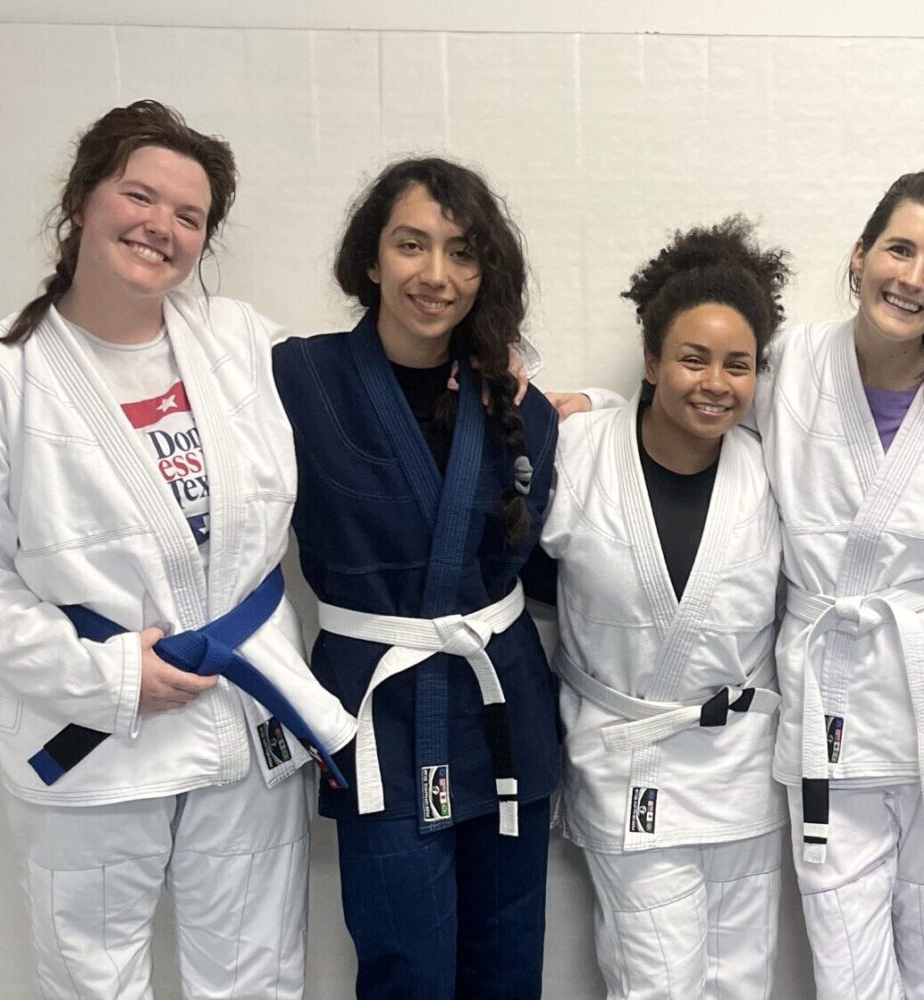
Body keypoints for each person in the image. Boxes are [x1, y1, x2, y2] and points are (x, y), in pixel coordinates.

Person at [0, 100, 356, 1000]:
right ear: (82, 199)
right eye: (139, 195)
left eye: (189, 216)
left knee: (256, 979)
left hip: (239, 720)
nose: (162, 226)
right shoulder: (2, 372)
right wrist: (111, 677)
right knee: (93, 984)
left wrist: (538, 388)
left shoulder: (236, 341)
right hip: (95, 736)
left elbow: (372, 377)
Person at [558, 170, 924, 998]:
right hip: (832, 705)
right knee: (847, 969)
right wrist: (588, 412)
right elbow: (696, 400)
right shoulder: (795, 363)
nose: (913, 277)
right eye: (899, 249)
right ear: (859, 256)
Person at [272, 157, 560, 1000]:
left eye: (463, 252)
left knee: (509, 961)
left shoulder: (517, 407)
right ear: (371, 258)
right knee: (406, 965)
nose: (436, 275)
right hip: (376, 712)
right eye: (412, 245)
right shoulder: (300, 380)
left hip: (503, 704)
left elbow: (542, 555)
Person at [541, 217, 791, 999]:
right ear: (653, 361)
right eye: (693, 358)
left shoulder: (772, 469)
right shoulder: (577, 449)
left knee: (743, 982)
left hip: (742, 766)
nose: (715, 382)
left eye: (737, 365)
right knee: (659, 984)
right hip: (629, 760)